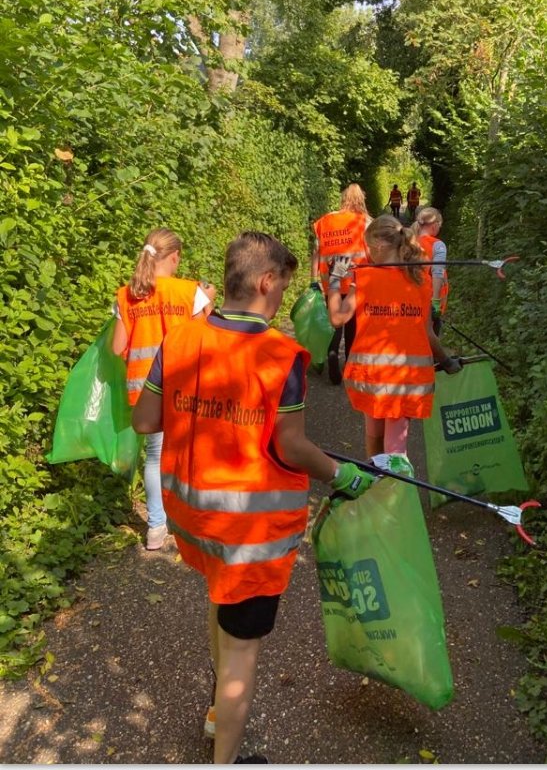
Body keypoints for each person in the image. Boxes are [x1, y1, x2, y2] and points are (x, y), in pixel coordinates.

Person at [132, 231, 374, 765]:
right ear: (266, 281)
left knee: (221, 603)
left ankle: (217, 714)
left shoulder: (180, 340)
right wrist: (341, 474)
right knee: (242, 653)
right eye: (283, 286)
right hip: (250, 534)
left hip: (195, 522)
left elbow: (146, 420)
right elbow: (291, 447)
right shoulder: (280, 356)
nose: (283, 296)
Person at [112, 228, 216, 550]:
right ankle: (192, 518)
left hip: (145, 391)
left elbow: (117, 348)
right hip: (184, 387)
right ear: (175, 257)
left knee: (155, 456)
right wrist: (209, 302)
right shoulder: (190, 292)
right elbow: (206, 339)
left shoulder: (126, 295)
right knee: (192, 451)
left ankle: (156, 527)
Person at [327, 214, 462, 461]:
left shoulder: (364, 278)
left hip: (371, 377)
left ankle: (376, 480)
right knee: (396, 450)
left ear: (378, 245)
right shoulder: (420, 281)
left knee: (374, 436)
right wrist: (446, 361)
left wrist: (335, 280)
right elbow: (428, 334)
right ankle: (396, 484)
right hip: (406, 380)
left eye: (368, 247)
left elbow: (337, 318)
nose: (368, 254)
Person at [311, 183, 372, 385]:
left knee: (334, 322)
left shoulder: (325, 221)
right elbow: (371, 253)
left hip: (331, 282)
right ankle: (350, 365)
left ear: (343, 198)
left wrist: (313, 280)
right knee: (353, 324)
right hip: (356, 282)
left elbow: (316, 252)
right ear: (361, 199)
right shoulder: (365, 222)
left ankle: (332, 352)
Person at [413, 207, 449, 336]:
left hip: (412, 300)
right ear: (434, 225)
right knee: (431, 336)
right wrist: (436, 302)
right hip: (430, 300)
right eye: (440, 225)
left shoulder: (411, 242)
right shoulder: (438, 245)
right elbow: (437, 273)